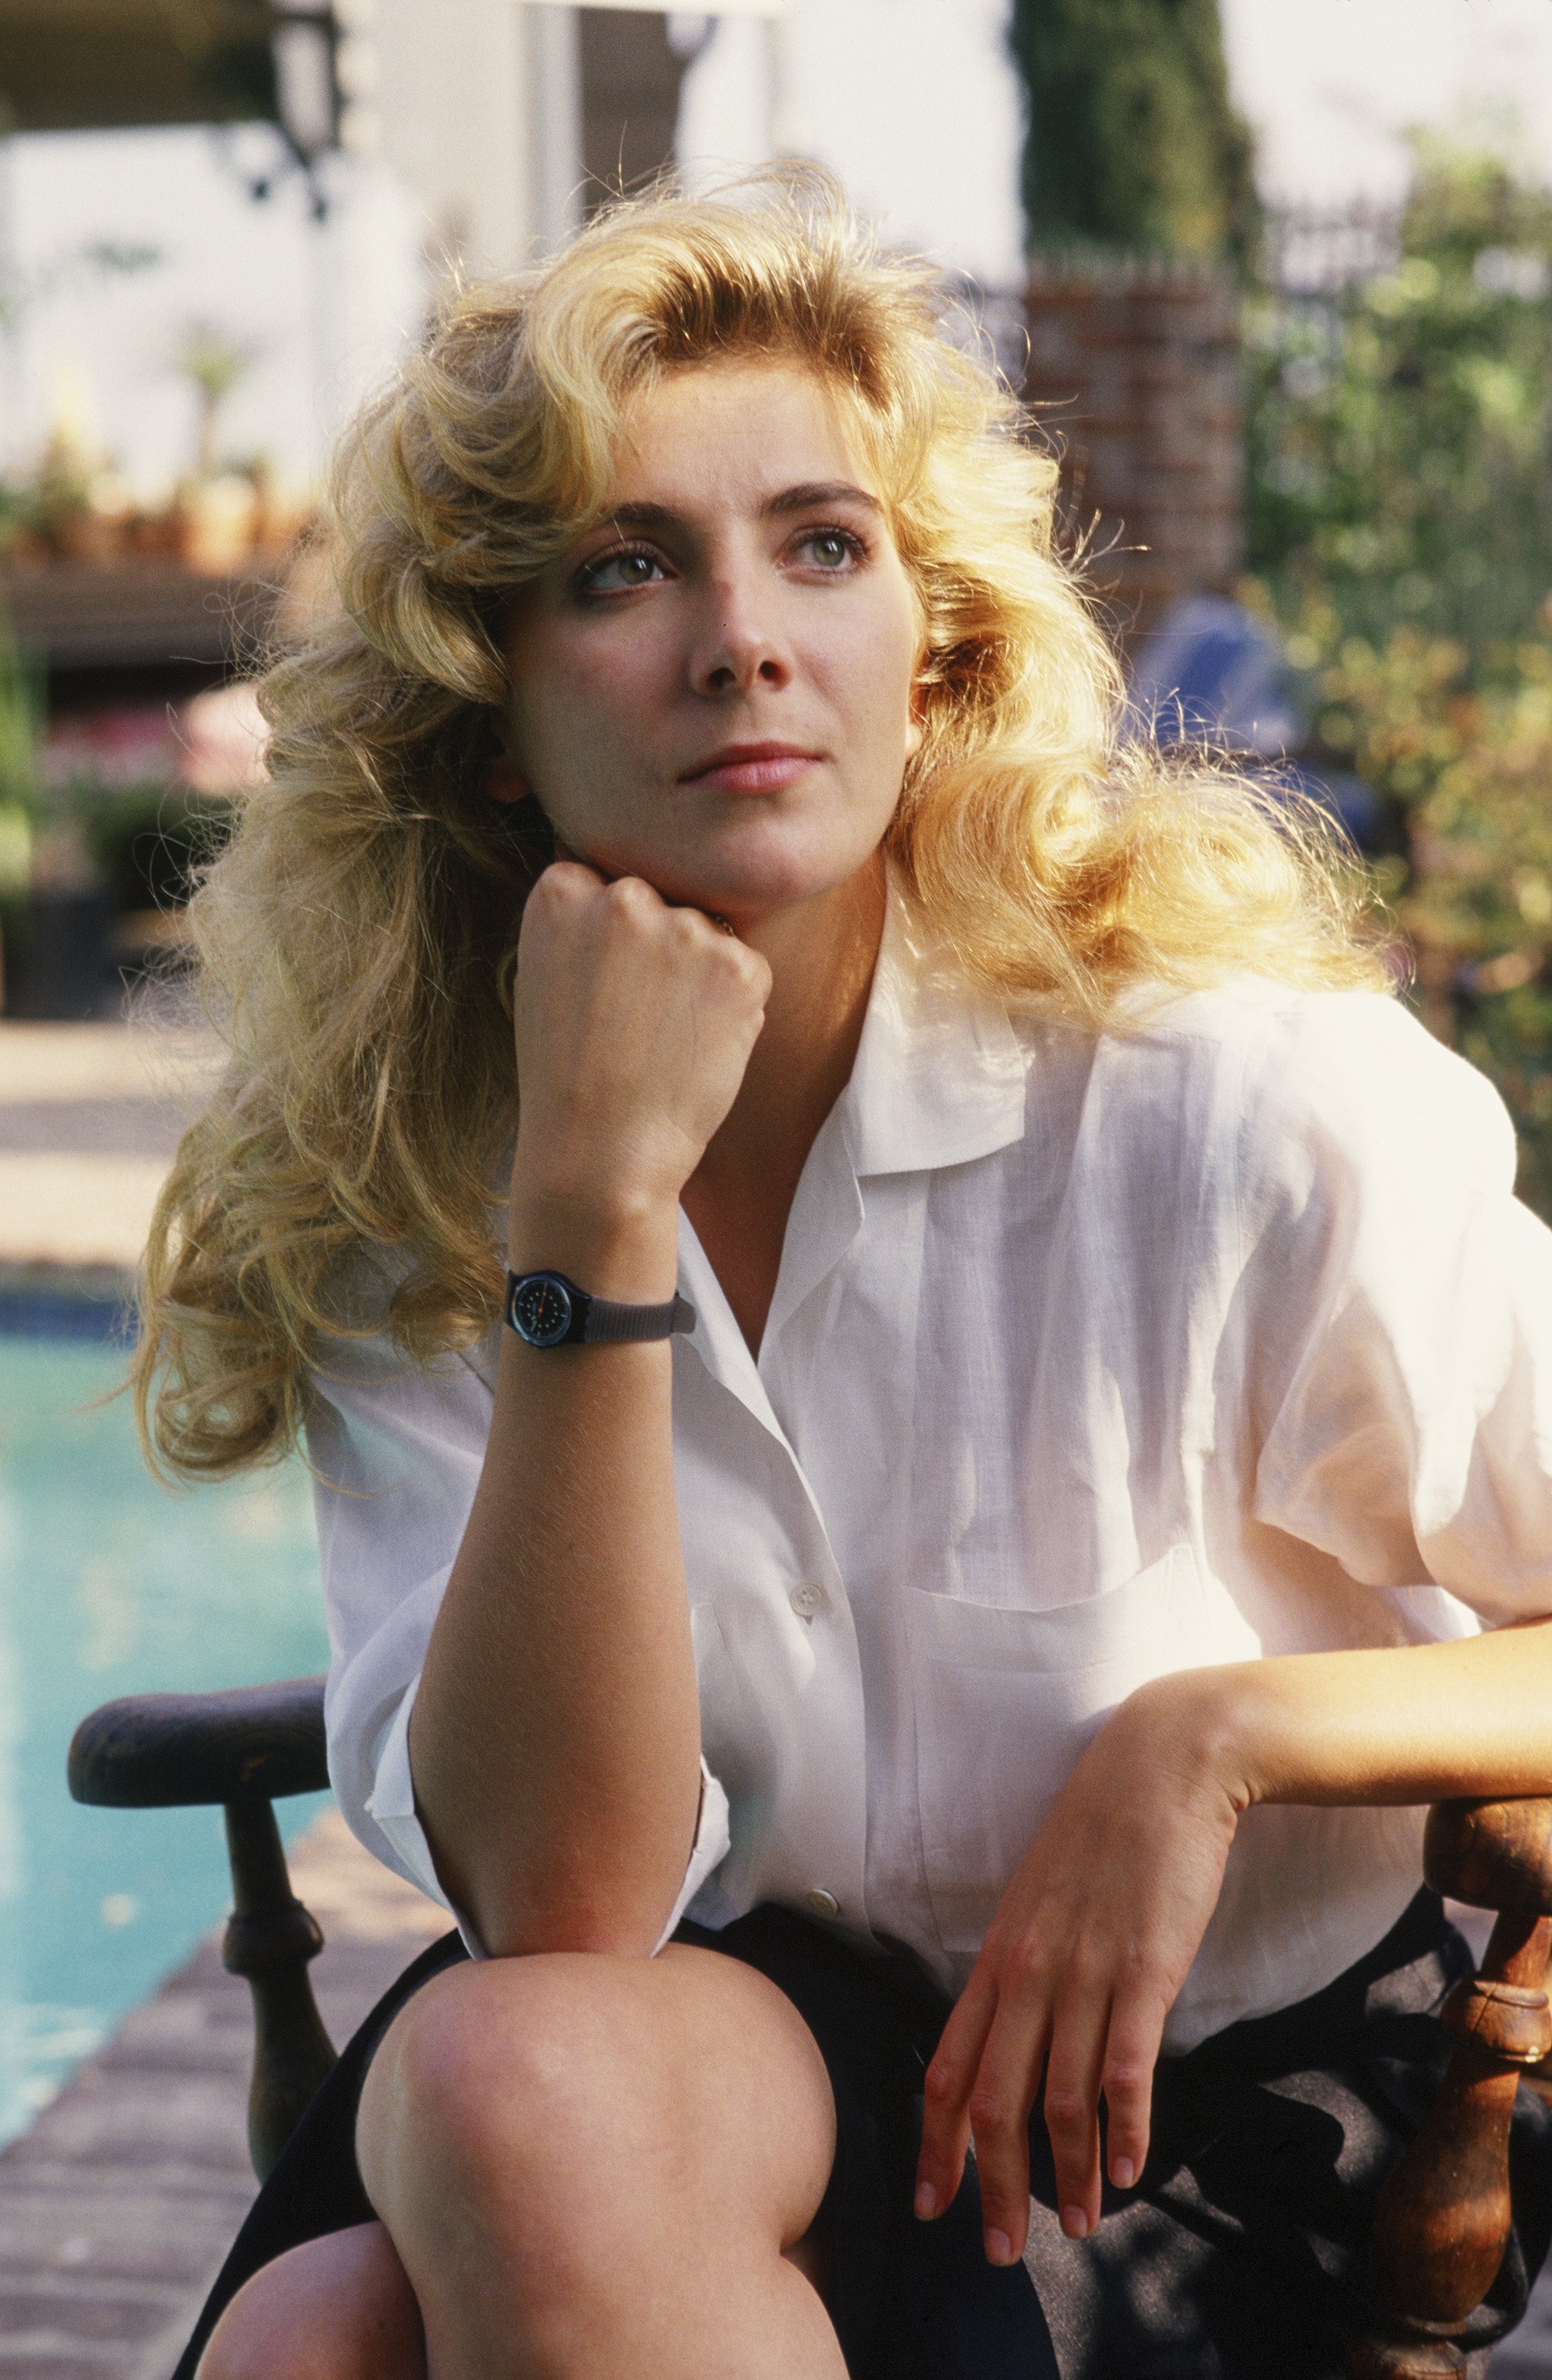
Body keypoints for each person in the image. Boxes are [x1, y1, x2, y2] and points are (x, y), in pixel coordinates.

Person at [137, 171, 1552, 2380]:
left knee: (323, 2342)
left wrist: (1227, 1736)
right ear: (485, 706)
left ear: (937, 645)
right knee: (504, 2086)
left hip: (1170, 2114)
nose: (741, 639)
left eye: (820, 544)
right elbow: (569, 1912)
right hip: (707, 2061)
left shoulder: (1232, 1111)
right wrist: (589, 1226)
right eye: (626, 568)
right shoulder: (418, 1190)